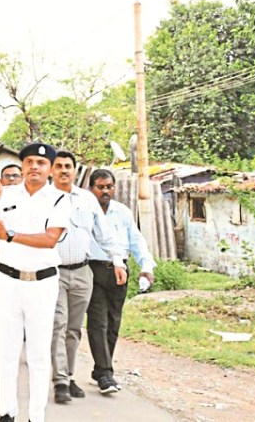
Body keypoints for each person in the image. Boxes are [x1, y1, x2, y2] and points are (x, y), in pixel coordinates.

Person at [0, 142, 71, 422]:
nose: (34, 167)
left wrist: (10, 235)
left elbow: (50, 239)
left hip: (41, 283)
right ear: (22, 166)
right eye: (29, 162)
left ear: (50, 169)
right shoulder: (5, 194)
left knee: (38, 353)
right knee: (7, 351)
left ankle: (36, 415)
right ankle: (7, 411)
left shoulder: (59, 199)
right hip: (8, 281)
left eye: (41, 163)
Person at [49, 151, 125, 404]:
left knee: (74, 328)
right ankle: (60, 381)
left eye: (68, 166)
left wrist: (117, 261)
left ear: (74, 170)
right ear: (52, 170)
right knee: (58, 325)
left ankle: (69, 376)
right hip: (54, 272)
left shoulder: (86, 199)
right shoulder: (44, 198)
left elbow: (104, 233)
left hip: (83, 272)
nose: (63, 170)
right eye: (58, 166)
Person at [87, 169, 156, 394]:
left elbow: (136, 240)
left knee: (113, 322)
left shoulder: (122, 212)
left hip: (119, 272)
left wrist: (146, 267)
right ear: (91, 189)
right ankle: (105, 374)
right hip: (93, 269)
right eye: (100, 187)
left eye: (109, 187)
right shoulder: (85, 211)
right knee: (98, 321)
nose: (105, 191)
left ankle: (100, 369)